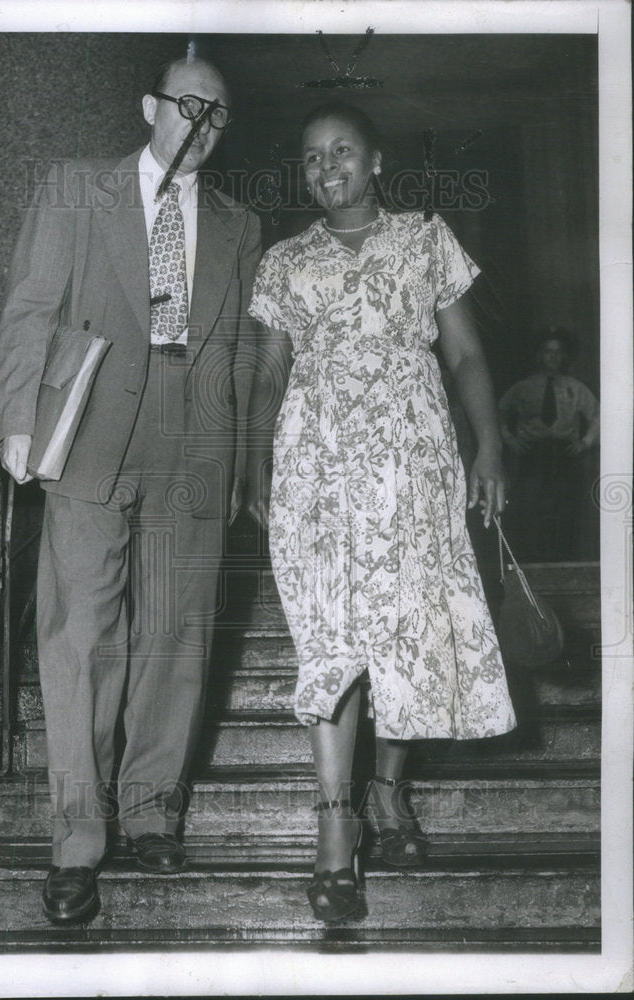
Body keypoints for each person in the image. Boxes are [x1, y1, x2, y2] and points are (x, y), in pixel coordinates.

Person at [0, 56, 261, 925]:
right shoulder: (75, 188)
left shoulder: (237, 222)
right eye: (189, 107)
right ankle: (77, 839)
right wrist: (20, 420)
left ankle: (151, 809)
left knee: (178, 634)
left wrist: (238, 461)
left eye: (218, 116)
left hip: (193, 444)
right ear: (151, 108)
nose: (202, 126)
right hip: (90, 436)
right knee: (81, 640)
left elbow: (243, 352)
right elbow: (31, 307)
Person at [246, 102, 516, 923]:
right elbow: (266, 373)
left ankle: (388, 792)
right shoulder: (283, 261)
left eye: (341, 151)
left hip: (413, 460)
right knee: (330, 637)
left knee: (405, 629)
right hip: (314, 466)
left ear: (374, 161)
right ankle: (336, 831)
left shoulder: (425, 238)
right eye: (311, 157)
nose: (326, 167)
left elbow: (465, 351)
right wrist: (254, 465)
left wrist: (489, 447)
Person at [498, 329, 599, 560]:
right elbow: (499, 412)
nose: (553, 357)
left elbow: (597, 414)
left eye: (558, 352)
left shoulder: (575, 388)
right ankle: (532, 561)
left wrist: (586, 442)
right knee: (531, 506)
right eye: (548, 352)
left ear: (564, 357)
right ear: (539, 355)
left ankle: (563, 559)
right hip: (533, 455)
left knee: (565, 508)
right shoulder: (523, 387)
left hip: (564, 454)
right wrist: (510, 438)